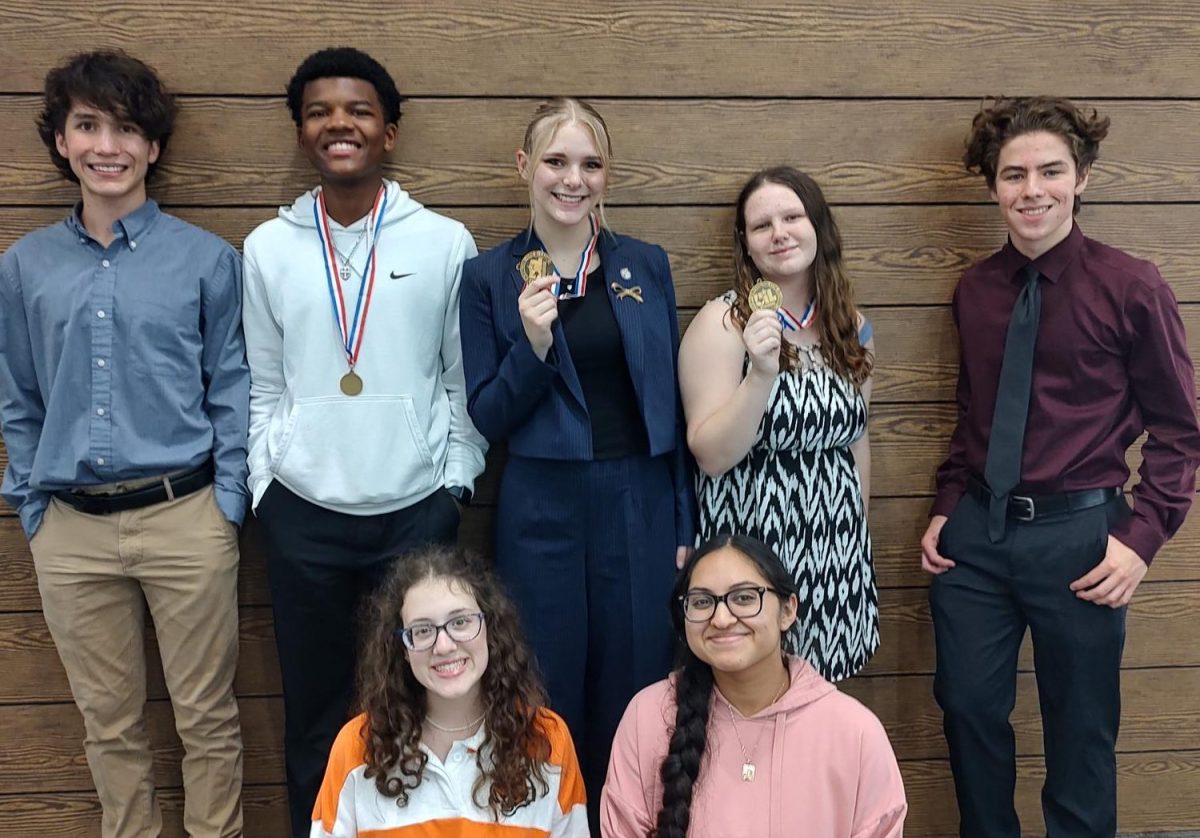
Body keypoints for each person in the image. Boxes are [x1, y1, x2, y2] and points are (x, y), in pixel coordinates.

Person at [919, 96, 1200, 837]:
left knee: (1080, 733)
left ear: (1082, 179)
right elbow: (973, 414)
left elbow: (1180, 431)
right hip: (977, 538)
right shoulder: (976, 292)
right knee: (968, 708)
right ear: (993, 188)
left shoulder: (1132, 286)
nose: (1032, 189)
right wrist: (949, 503)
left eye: (1050, 171)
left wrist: (1140, 543)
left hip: (1083, 542)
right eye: (1014, 175)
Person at [0, 50, 248, 836]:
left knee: (206, 720)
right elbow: (19, 395)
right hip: (71, 530)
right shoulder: (24, 266)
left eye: (127, 129)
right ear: (63, 142)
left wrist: (228, 509)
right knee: (109, 729)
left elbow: (232, 388)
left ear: (153, 148)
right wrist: (33, 506)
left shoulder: (207, 259)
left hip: (187, 518)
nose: (108, 146)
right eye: (88, 126)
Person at [241, 47, 487, 837]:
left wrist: (453, 484)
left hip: (416, 515)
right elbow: (263, 387)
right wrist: (265, 488)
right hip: (304, 513)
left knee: (424, 702)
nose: (337, 123)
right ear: (302, 132)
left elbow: (460, 383)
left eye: (357, 111)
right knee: (316, 711)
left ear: (388, 133)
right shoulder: (267, 249)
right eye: (318, 112)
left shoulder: (444, 242)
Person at [459, 97, 695, 826]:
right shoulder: (487, 277)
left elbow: (671, 406)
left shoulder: (644, 265)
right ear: (524, 168)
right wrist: (529, 348)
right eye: (556, 161)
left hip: (641, 500)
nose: (573, 179)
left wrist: (684, 517)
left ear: (607, 174)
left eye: (590, 164)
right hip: (541, 503)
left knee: (637, 682)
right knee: (544, 679)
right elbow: (487, 415)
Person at [678, 166, 878, 682]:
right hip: (756, 547)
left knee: (821, 705)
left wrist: (858, 527)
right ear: (746, 244)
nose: (780, 232)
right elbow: (711, 453)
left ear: (819, 227)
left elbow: (856, 436)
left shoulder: (849, 325)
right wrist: (761, 375)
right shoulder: (723, 323)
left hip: (835, 549)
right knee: (752, 694)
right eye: (762, 225)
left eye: (793, 216)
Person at [601, 533, 906, 837]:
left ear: (788, 610)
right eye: (702, 601)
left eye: (744, 597)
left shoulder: (855, 732)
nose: (721, 618)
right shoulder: (649, 716)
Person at [311, 546, 589, 837]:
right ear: (403, 650)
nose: (443, 646)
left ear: (489, 628)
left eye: (460, 622)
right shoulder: (357, 746)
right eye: (422, 630)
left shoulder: (547, 739)